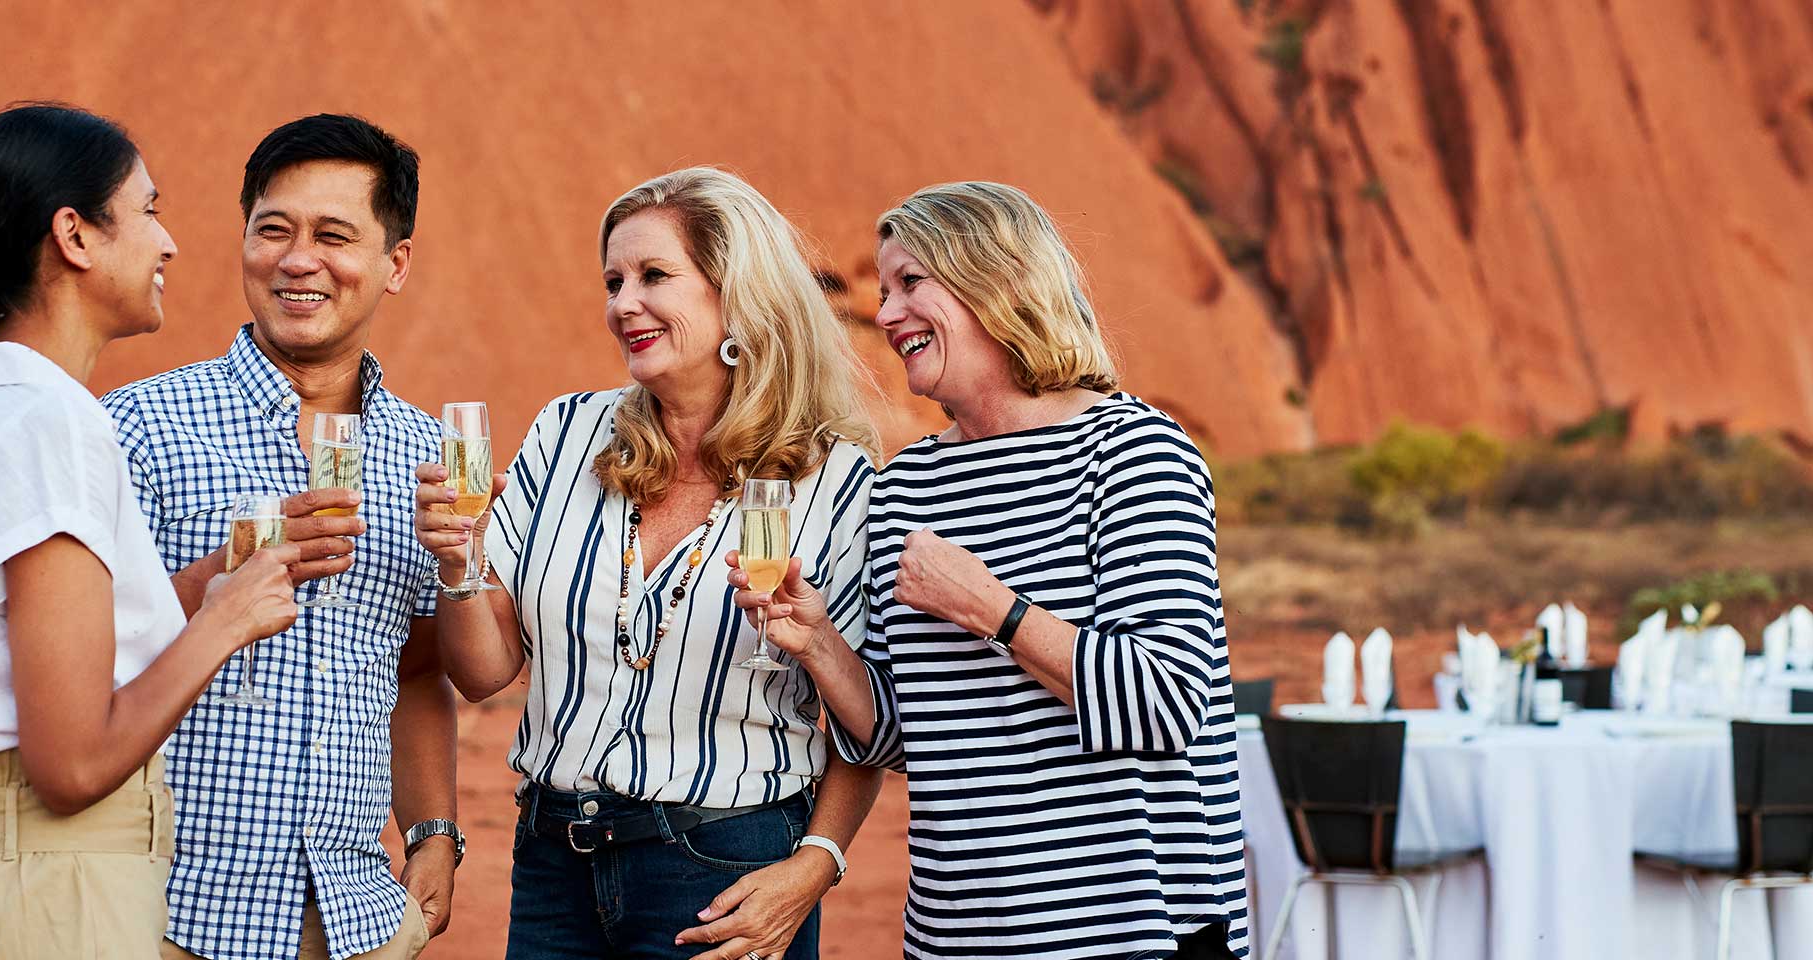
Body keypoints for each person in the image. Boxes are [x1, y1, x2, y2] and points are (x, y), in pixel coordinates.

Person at [729, 181, 1251, 959]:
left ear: (1000, 283)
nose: (889, 312)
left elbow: (1167, 701)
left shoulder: (1134, 453)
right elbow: (903, 740)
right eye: (884, 287)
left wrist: (993, 610)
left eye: (913, 283)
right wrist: (818, 644)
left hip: (1133, 933)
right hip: (959, 937)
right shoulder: (909, 485)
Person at [0, 102, 299, 958]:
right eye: (148, 212)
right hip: (49, 899)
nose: (168, 244)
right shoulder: (48, 428)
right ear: (76, 235)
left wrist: (204, 583)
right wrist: (227, 622)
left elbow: (13, 645)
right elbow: (72, 766)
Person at [412, 167, 881, 960]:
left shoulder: (834, 480)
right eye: (613, 280)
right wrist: (459, 564)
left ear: (736, 293)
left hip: (724, 869)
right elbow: (485, 673)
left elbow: (873, 723)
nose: (622, 303)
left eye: (654, 276)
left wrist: (816, 863)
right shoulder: (567, 434)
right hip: (553, 863)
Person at [100, 114, 456, 960]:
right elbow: (80, 654)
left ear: (393, 264)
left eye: (334, 236)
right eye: (273, 231)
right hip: (166, 917)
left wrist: (436, 828)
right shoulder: (138, 427)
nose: (298, 261)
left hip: (353, 924)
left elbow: (415, 665)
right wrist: (226, 572)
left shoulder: (426, 456)